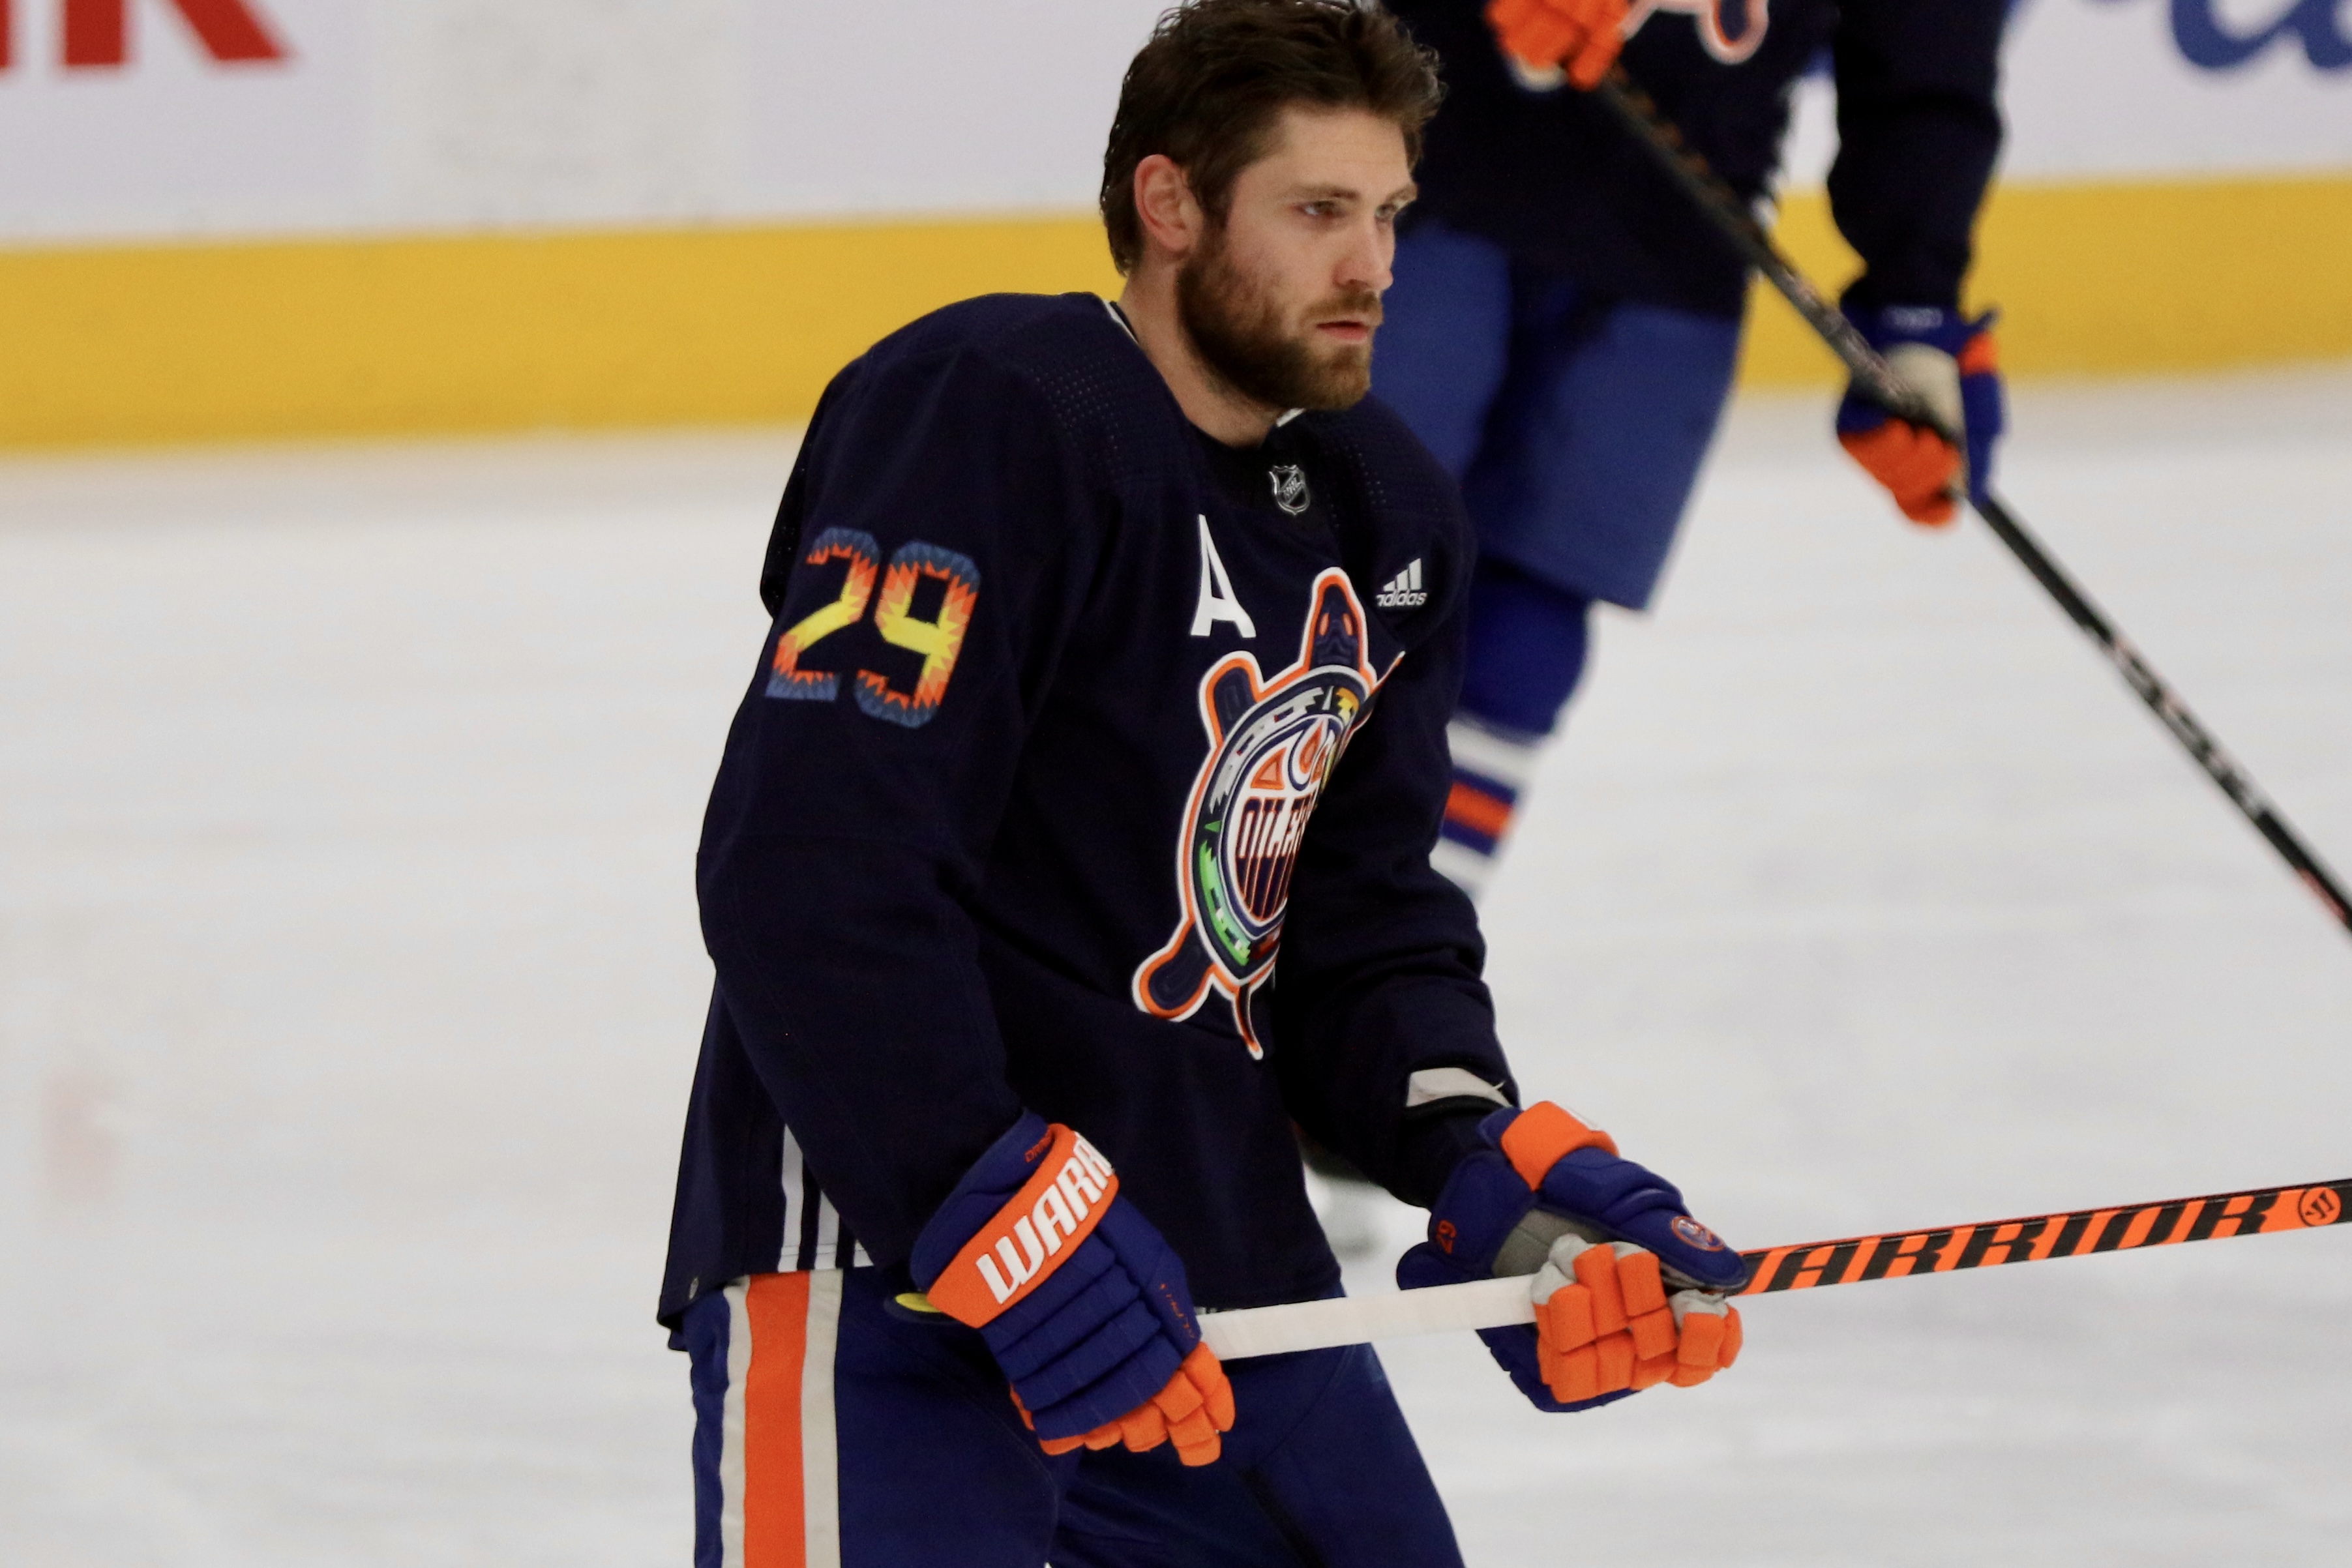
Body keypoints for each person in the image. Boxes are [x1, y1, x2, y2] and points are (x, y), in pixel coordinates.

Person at [658, 4, 1747, 1564]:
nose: (1371, 266)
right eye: (1316, 213)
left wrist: (1482, 1165)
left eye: (1385, 217)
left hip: (1212, 1287)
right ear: (1169, 205)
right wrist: (989, 1201)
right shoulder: (995, 407)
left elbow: (1360, 928)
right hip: (887, 1260)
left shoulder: (1388, 510)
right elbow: (809, 867)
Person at [1375, 0, 2008, 894]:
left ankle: (1380, 966)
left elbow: (1927, 43)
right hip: (1417, 166)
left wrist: (1916, 307)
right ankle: (1169, 925)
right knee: (1317, 560)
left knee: (1529, 636)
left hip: (1675, 243)